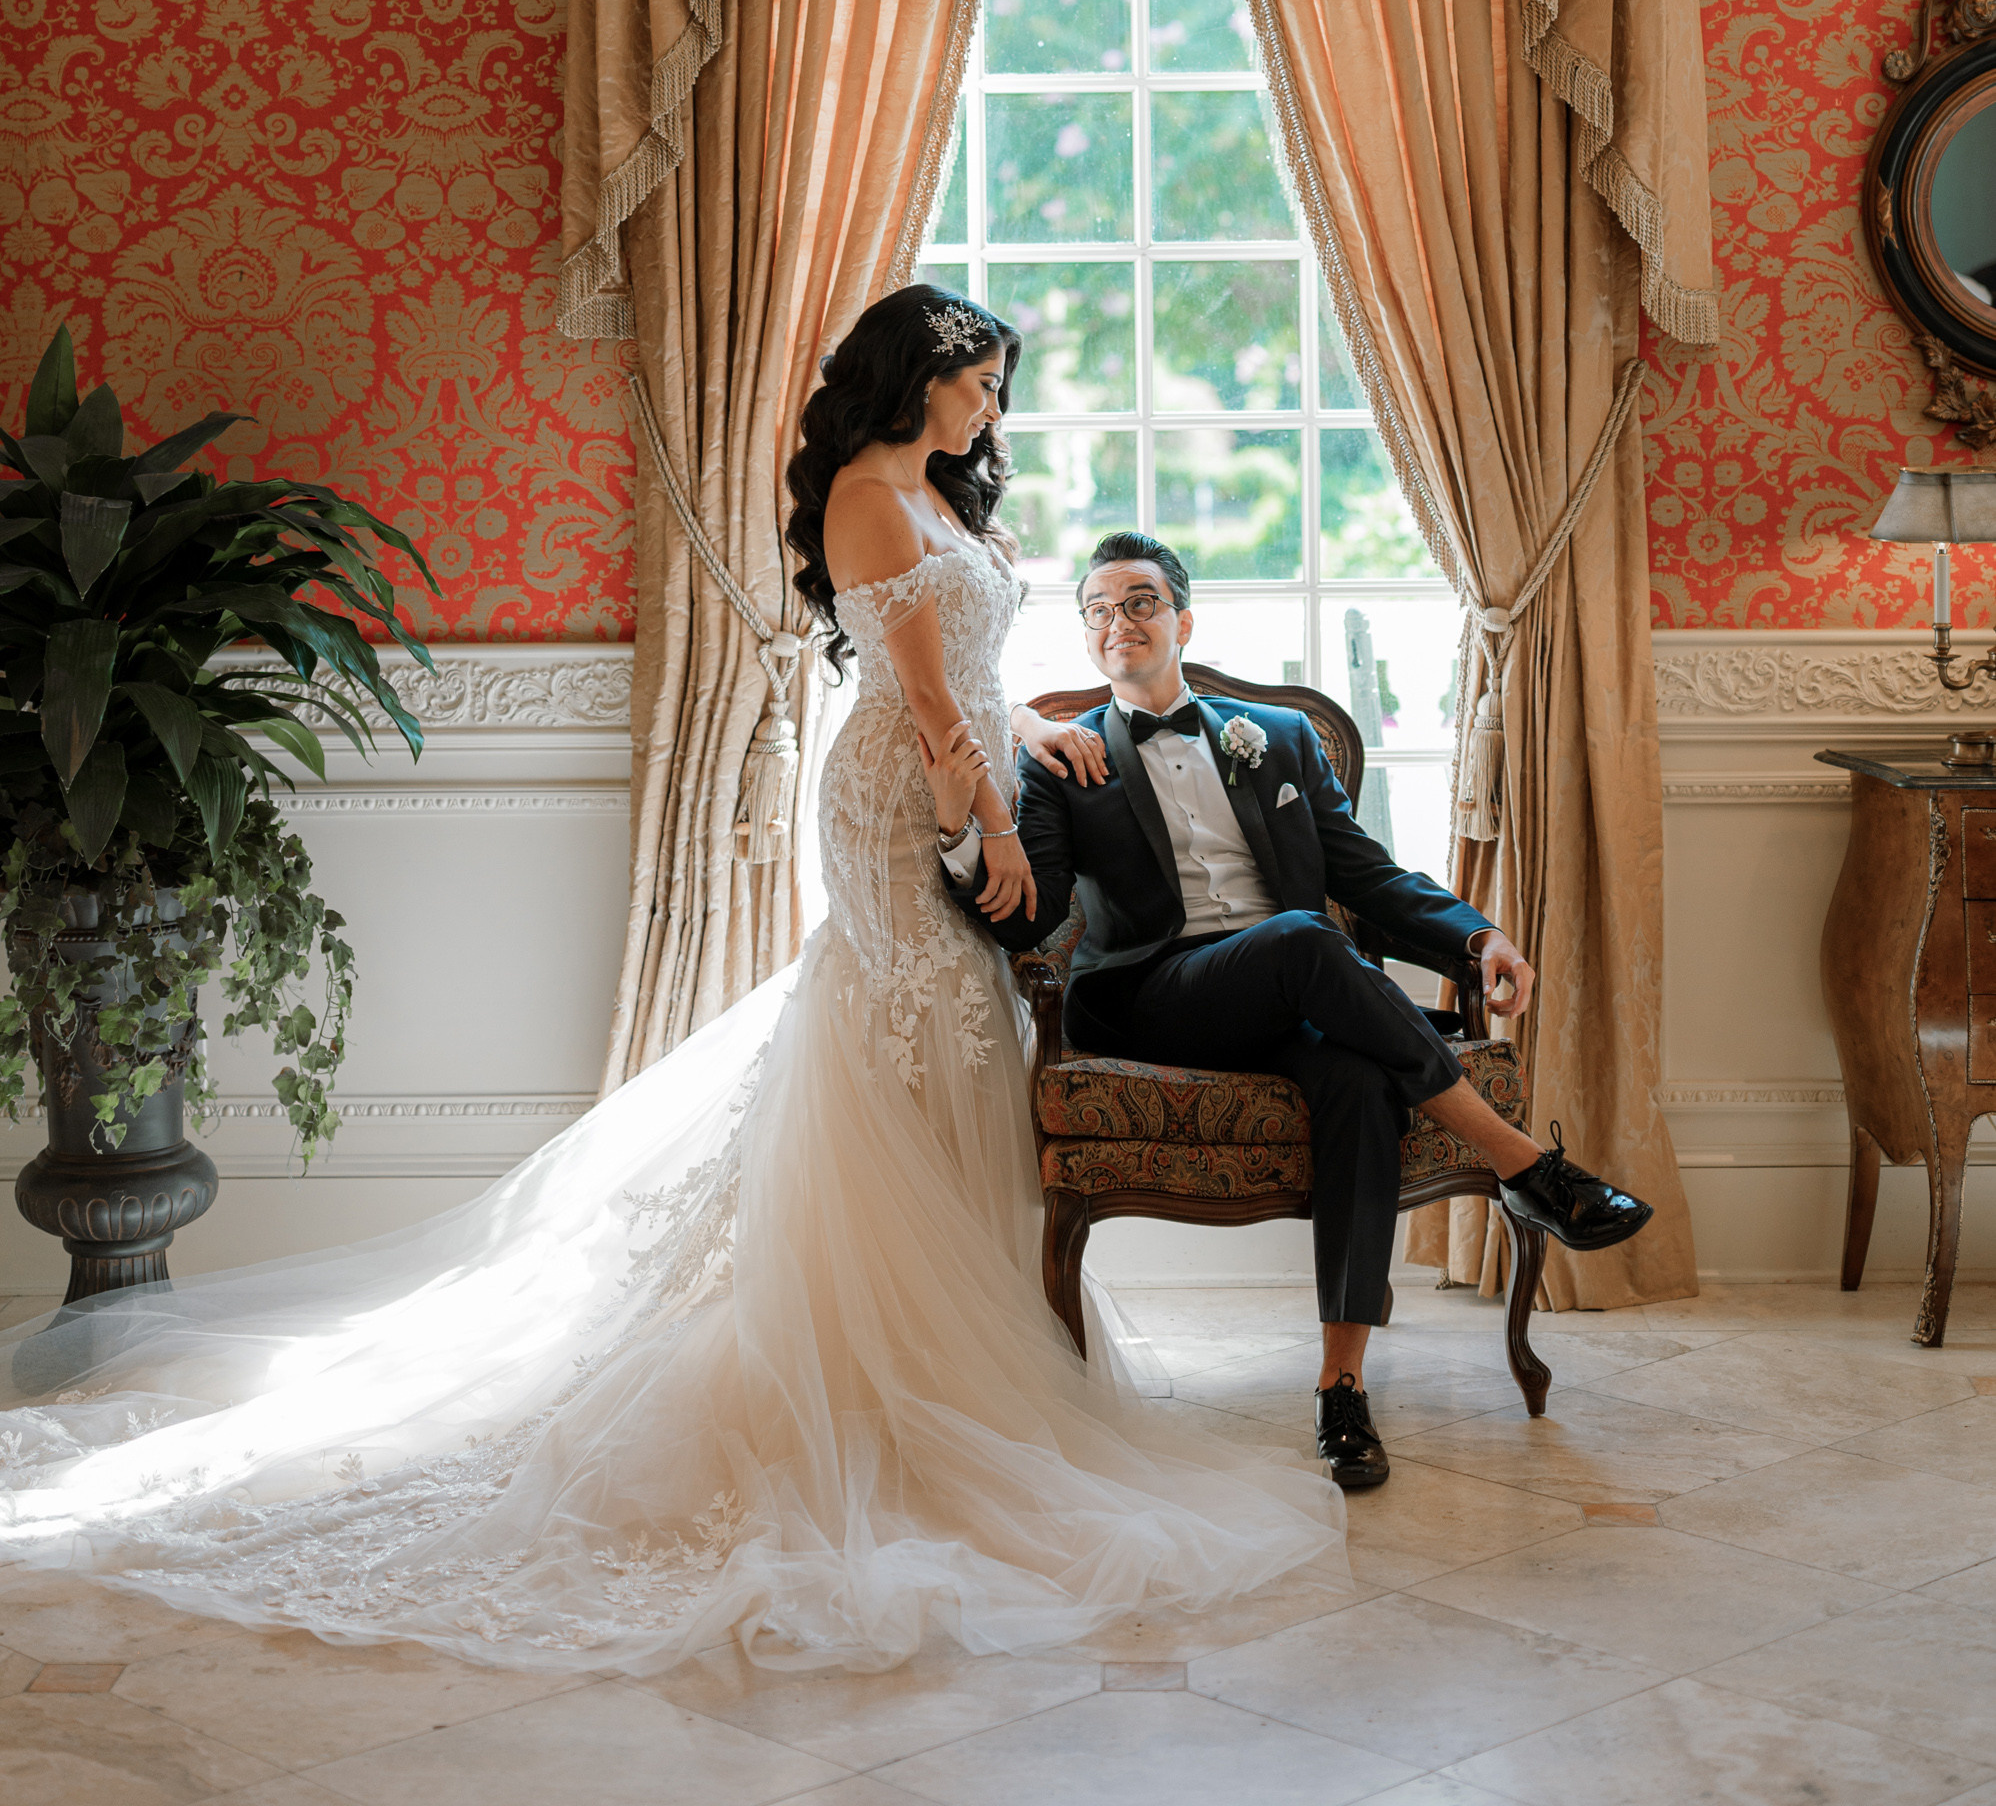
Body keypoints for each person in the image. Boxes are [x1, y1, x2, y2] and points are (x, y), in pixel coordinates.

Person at [0, 291, 1342, 1669]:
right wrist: (992, 819)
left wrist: (1038, 736)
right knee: (907, 1021)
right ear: (923, 374)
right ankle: (876, 1378)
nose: (994, 409)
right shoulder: (872, 501)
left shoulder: (934, 495)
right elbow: (927, 702)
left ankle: (967, 1350)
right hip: (901, 801)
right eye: (982, 383)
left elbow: (975, 677)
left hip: (959, 767)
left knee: (959, 1030)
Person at [945, 529, 1652, 1491]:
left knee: (1359, 1080)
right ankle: (1524, 1163)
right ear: (1086, 637)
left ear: (1184, 618)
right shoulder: (1065, 763)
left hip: (1289, 990)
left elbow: (1368, 875)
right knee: (1307, 939)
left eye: (1141, 601)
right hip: (1156, 996)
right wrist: (962, 839)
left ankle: (1342, 1389)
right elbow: (1029, 922)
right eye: (1100, 610)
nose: (1121, 622)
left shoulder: (1277, 740)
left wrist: (1477, 939)